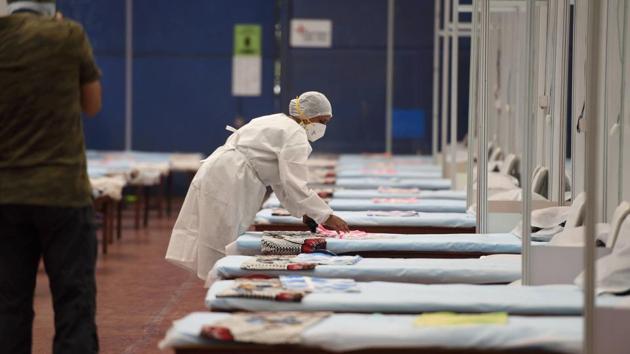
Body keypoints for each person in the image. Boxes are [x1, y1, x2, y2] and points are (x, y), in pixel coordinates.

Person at [0, 1, 102, 353]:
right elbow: (92, 104)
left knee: (8, 307)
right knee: (74, 301)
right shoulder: (67, 34)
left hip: (6, 194)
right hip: (62, 192)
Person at [166, 91, 349, 282]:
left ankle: (222, 286)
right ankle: (222, 292)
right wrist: (326, 215)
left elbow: (281, 181)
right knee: (223, 238)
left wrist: (304, 211)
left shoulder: (277, 120)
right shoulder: (295, 135)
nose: (323, 127)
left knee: (220, 234)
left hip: (222, 170)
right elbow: (295, 184)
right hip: (230, 178)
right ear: (307, 116)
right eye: (322, 121)